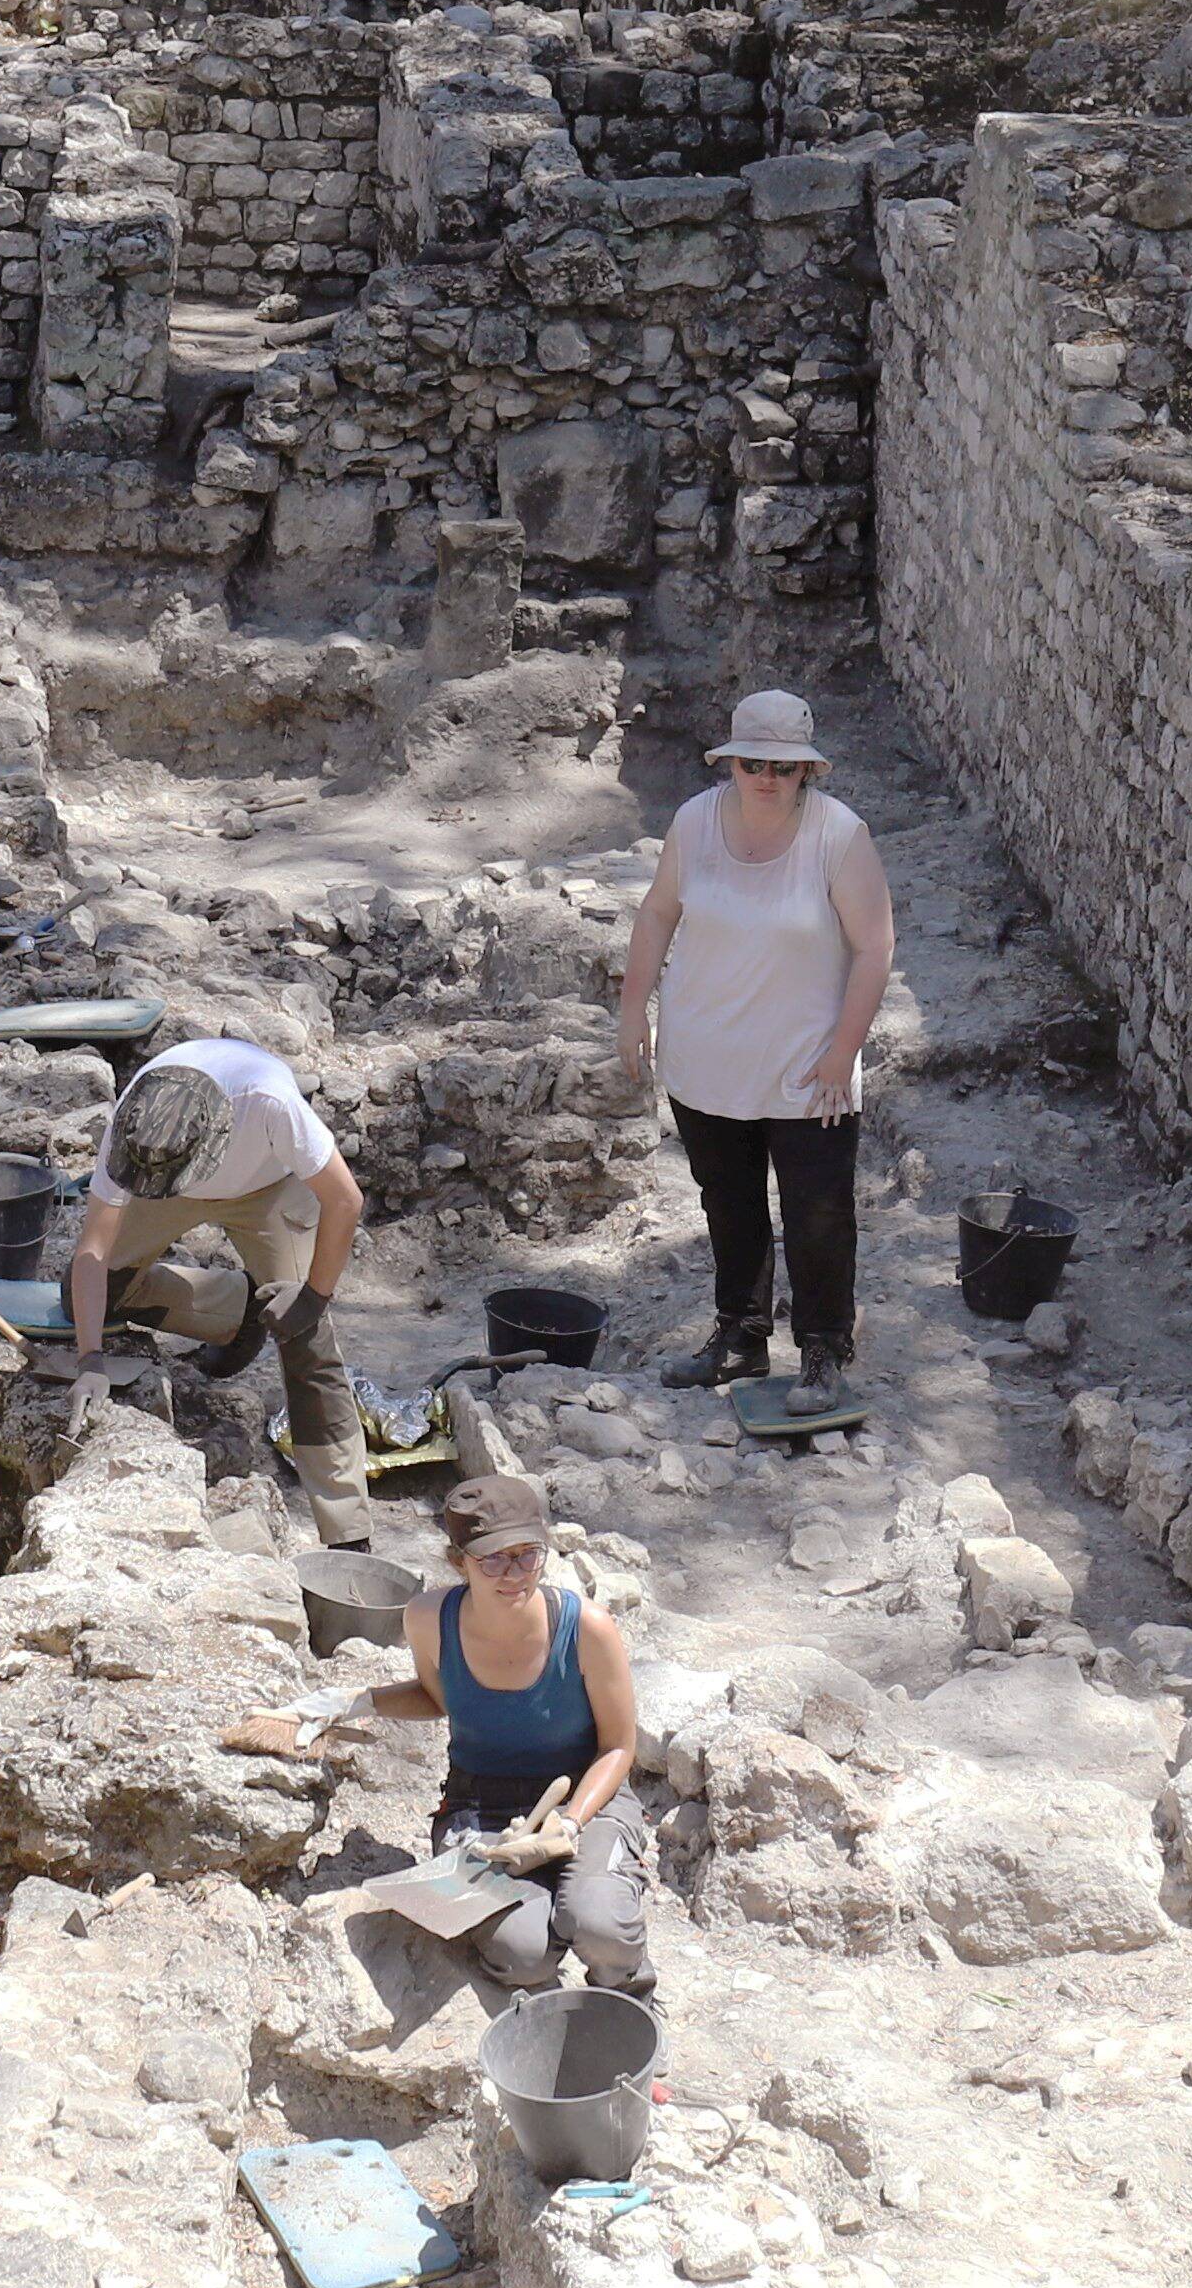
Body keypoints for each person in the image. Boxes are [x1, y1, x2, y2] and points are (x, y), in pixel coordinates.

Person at [234, 1469, 655, 1993]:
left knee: (600, 1924)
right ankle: (545, 1934)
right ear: (460, 1562)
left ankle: (631, 1996)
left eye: (528, 1553)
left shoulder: (587, 1628)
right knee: (520, 1954)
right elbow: (438, 1698)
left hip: (587, 1797)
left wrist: (568, 1826)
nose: (514, 1573)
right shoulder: (430, 1618)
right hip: (482, 1803)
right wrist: (353, 1703)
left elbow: (617, 1748)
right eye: (493, 1558)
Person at [611, 687, 896, 1396]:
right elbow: (656, 914)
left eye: (784, 768)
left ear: (808, 772)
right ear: (731, 763)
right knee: (727, 1201)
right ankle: (740, 1335)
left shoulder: (838, 835)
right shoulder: (694, 822)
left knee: (818, 1210)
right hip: (705, 1058)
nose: (767, 779)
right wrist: (630, 1009)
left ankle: (825, 1349)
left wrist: (843, 1049)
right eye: (752, 765)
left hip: (807, 1067)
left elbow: (874, 947)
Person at [34, 1035, 366, 1477]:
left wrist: (314, 1297)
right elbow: (93, 1251)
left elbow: (345, 1201)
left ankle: (347, 1529)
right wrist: (90, 1360)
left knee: (307, 1343)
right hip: (165, 1183)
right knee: (83, 1299)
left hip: (270, 1185)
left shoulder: (270, 1102)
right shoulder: (138, 1129)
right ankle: (242, 1311)